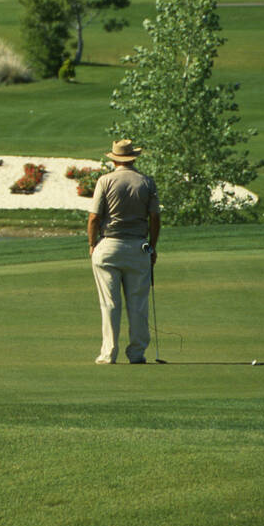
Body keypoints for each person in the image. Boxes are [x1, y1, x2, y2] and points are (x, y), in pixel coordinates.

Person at [87, 140, 161, 364]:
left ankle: (109, 353)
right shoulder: (147, 182)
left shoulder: (105, 180)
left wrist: (92, 245)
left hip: (109, 245)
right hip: (139, 245)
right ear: (133, 158)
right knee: (137, 303)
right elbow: (155, 218)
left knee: (110, 303)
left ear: (114, 159)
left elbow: (94, 218)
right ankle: (137, 353)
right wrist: (152, 247)